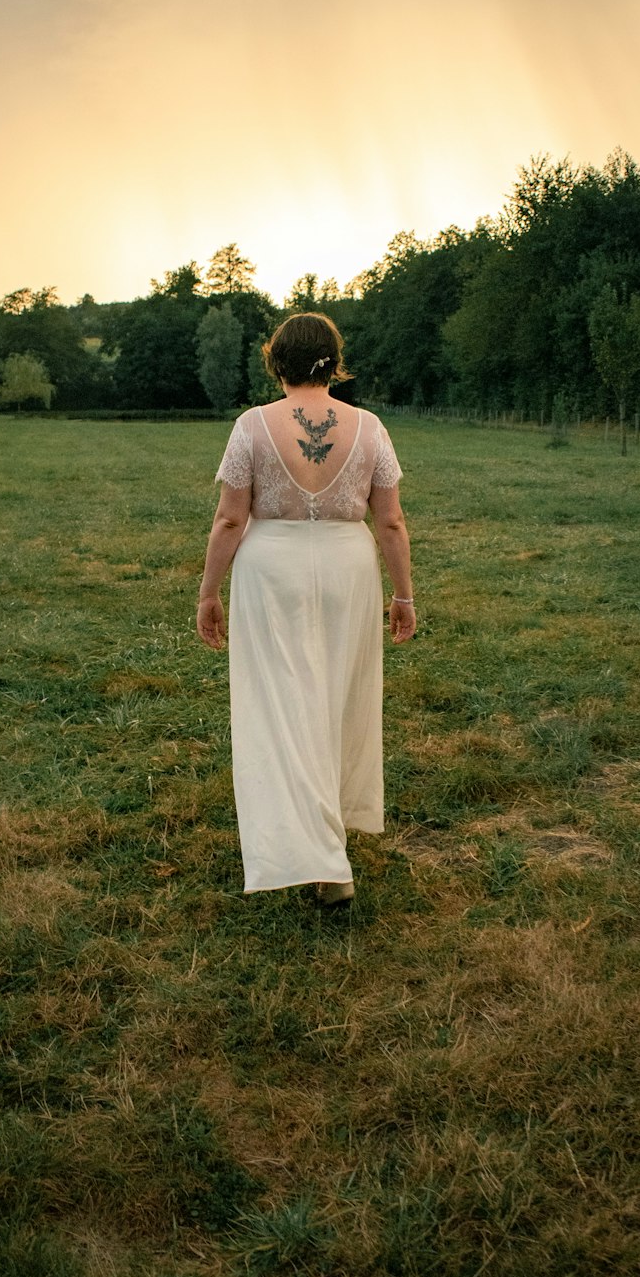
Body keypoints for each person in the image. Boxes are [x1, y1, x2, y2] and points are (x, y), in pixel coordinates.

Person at [196, 312, 415, 902]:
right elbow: (390, 520)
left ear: (277, 359)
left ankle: (322, 858)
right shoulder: (370, 428)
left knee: (284, 702)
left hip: (273, 571)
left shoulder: (252, 425)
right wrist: (403, 595)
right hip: (348, 569)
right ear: (333, 359)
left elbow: (229, 518)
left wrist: (208, 591)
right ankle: (325, 846)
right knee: (336, 700)